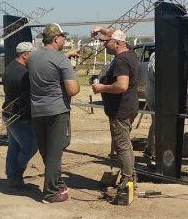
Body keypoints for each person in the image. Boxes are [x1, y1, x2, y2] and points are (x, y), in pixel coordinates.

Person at [27, 23, 80, 203]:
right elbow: (72, 90)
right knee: (55, 153)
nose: (64, 40)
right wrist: (73, 74)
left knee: (47, 151)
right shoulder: (61, 61)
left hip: (38, 111)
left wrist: (64, 57)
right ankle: (50, 193)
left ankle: (56, 182)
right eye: (63, 37)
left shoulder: (33, 57)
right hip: (57, 111)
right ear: (56, 38)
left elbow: (48, 61)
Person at [90, 27, 139, 192]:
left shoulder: (121, 60)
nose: (104, 45)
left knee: (122, 144)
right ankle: (131, 175)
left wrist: (101, 88)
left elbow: (121, 85)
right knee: (125, 143)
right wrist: (101, 29)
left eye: (106, 42)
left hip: (121, 110)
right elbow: (116, 32)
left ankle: (127, 180)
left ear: (117, 43)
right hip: (129, 107)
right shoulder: (129, 52)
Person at [2, 42, 38, 189]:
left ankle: (12, 177)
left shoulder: (10, 67)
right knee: (30, 146)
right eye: (33, 56)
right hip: (19, 117)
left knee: (14, 146)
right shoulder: (22, 74)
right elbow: (28, 98)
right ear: (25, 55)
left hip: (9, 114)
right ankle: (17, 174)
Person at [143, 52, 157, 166]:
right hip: (155, 96)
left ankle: (149, 150)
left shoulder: (154, 54)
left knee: (155, 123)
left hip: (151, 94)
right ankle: (154, 154)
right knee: (158, 125)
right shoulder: (158, 57)